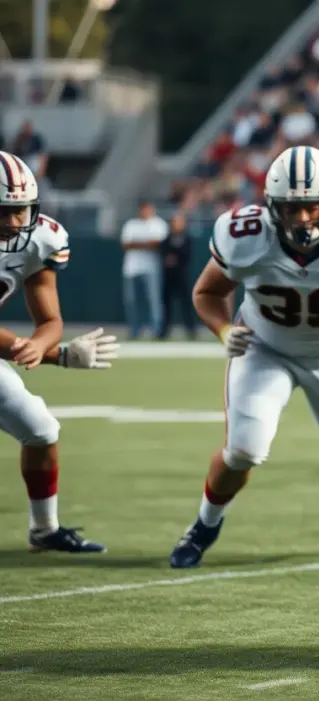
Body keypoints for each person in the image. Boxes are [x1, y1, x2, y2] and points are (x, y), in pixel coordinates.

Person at [168, 145, 319, 568]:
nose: (301, 219)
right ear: (271, 206)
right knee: (243, 449)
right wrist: (225, 330)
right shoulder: (245, 236)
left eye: (311, 208)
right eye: (291, 208)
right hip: (264, 348)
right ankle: (204, 526)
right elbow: (207, 293)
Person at [0, 151, 120, 552]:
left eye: (20, 211)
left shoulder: (41, 239)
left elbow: (49, 321)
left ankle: (44, 529)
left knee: (41, 429)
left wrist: (43, 346)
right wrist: (59, 355)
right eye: (3, 211)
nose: (14, 223)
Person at [121, 200, 169, 339]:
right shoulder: (131, 225)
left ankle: (156, 330)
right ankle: (134, 330)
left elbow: (158, 244)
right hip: (131, 269)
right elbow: (126, 244)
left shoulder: (159, 224)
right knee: (132, 301)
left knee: (154, 300)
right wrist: (147, 243)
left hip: (151, 268)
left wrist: (137, 243)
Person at [158, 213, 197, 340]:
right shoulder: (166, 240)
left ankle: (191, 331)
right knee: (166, 306)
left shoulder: (187, 239)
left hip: (182, 277)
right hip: (168, 277)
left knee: (186, 304)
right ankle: (163, 331)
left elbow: (186, 256)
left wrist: (175, 258)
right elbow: (163, 253)